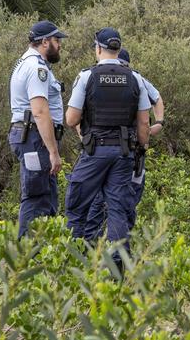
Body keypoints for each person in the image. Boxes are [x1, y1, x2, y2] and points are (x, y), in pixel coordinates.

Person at [64, 28, 150, 273]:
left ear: (98, 48)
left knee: (78, 203)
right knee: (117, 209)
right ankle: (118, 269)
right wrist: (140, 149)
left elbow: (71, 119)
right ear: (118, 47)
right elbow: (143, 123)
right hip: (124, 154)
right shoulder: (135, 78)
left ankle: (76, 261)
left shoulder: (87, 76)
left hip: (95, 153)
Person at [83, 47, 165, 242]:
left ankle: (93, 246)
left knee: (105, 200)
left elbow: (75, 116)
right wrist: (156, 126)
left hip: (107, 149)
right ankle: (117, 250)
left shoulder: (97, 77)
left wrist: (158, 123)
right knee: (123, 201)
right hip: (130, 151)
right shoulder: (134, 78)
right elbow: (155, 101)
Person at [8, 20, 67, 238]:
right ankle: (27, 258)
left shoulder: (28, 63)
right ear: (44, 42)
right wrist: (53, 152)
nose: (59, 44)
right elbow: (40, 111)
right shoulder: (36, 68)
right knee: (36, 198)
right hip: (34, 138)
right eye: (56, 40)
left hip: (32, 136)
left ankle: (44, 255)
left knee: (48, 197)